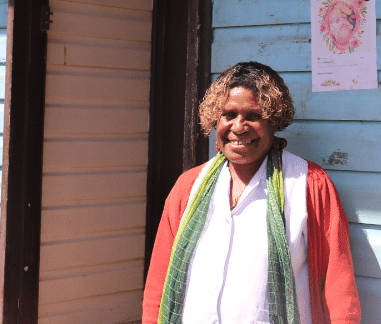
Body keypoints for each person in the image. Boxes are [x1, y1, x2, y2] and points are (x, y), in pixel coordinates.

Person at [141, 62, 361, 324]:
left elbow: (339, 286)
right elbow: (159, 279)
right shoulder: (189, 186)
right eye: (229, 114)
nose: (239, 126)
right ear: (215, 119)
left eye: (253, 116)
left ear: (274, 120)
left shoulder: (308, 185)